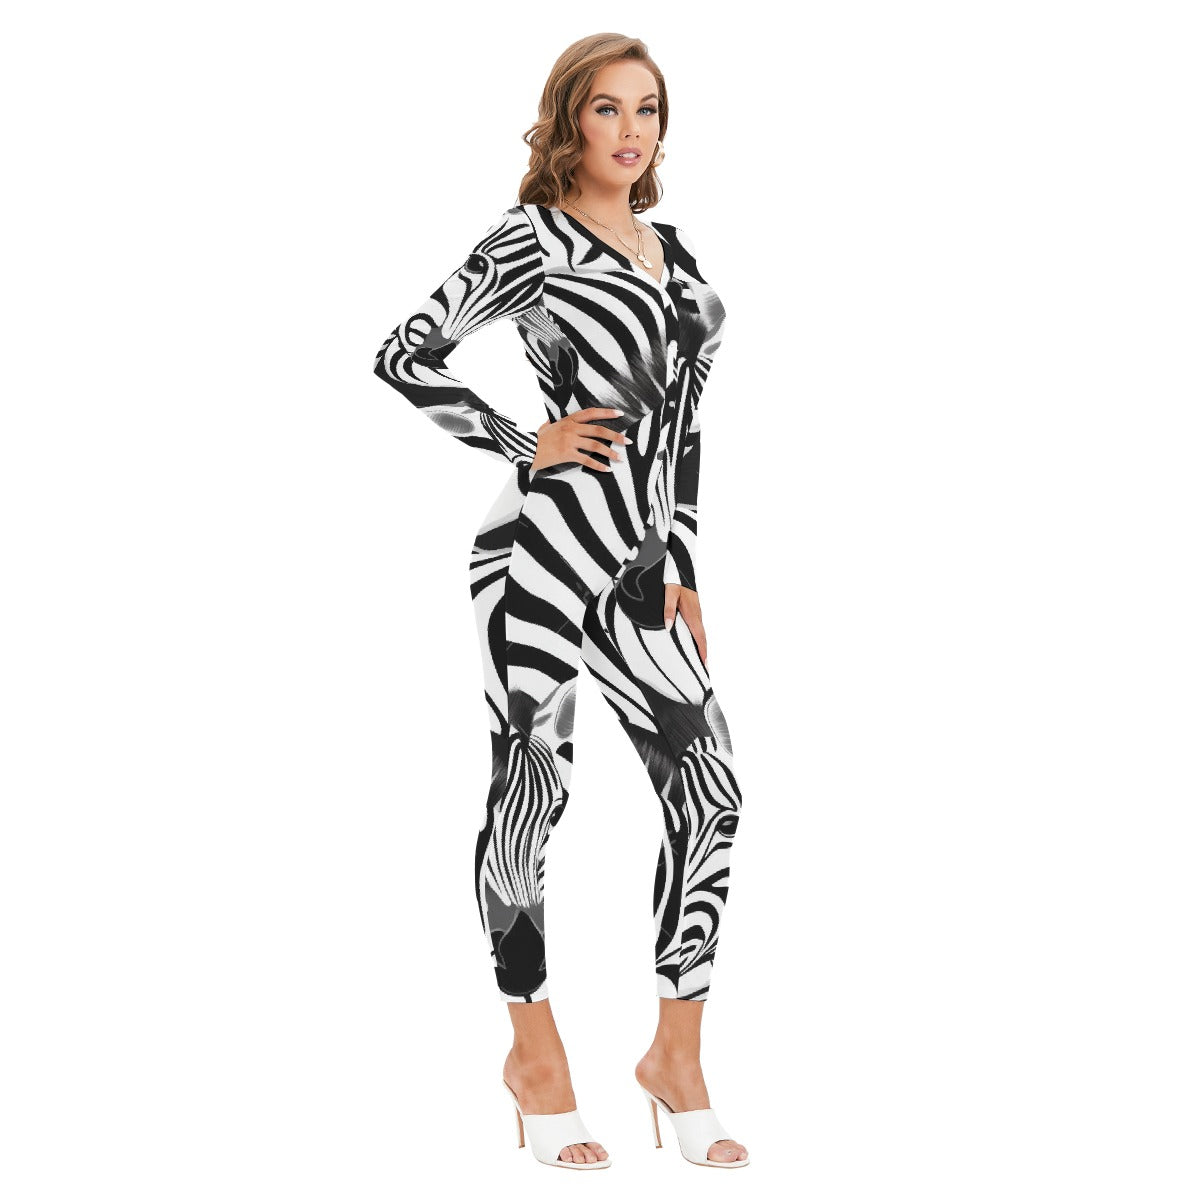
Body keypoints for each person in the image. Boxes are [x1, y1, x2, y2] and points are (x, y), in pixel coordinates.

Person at [372, 33, 749, 1170]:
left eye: (648, 109)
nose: (631, 131)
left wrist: (684, 563)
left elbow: (684, 426)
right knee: (535, 788)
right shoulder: (533, 239)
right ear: (567, 121)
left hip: (641, 562)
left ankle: (675, 1055)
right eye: (606, 109)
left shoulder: (673, 254)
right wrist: (519, 439)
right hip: (536, 547)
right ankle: (532, 1050)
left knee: (713, 791)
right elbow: (405, 353)